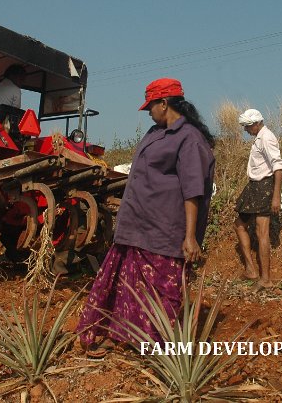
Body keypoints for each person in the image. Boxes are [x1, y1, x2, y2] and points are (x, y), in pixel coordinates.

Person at [76, 77, 215, 359]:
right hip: (137, 226)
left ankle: (157, 349)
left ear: (164, 104)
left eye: (150, 106)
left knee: (162, 292)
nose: (148, 112)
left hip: (164, 230)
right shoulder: (154, 133)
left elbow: (193, 191)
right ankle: (120, 336)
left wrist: (190, 237)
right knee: (125, 286)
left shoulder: (189, 139)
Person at [233, 108, 282, 288]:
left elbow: (278, 166)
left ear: (256, 124)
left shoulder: (267, 137)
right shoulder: (259, 138)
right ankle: (251, 270)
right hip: (255, 186)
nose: (246, 130)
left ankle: (266, 279)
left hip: (264, 186)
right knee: (239, 225)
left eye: (247, 127)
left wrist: (276, 196)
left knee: (261, 232)